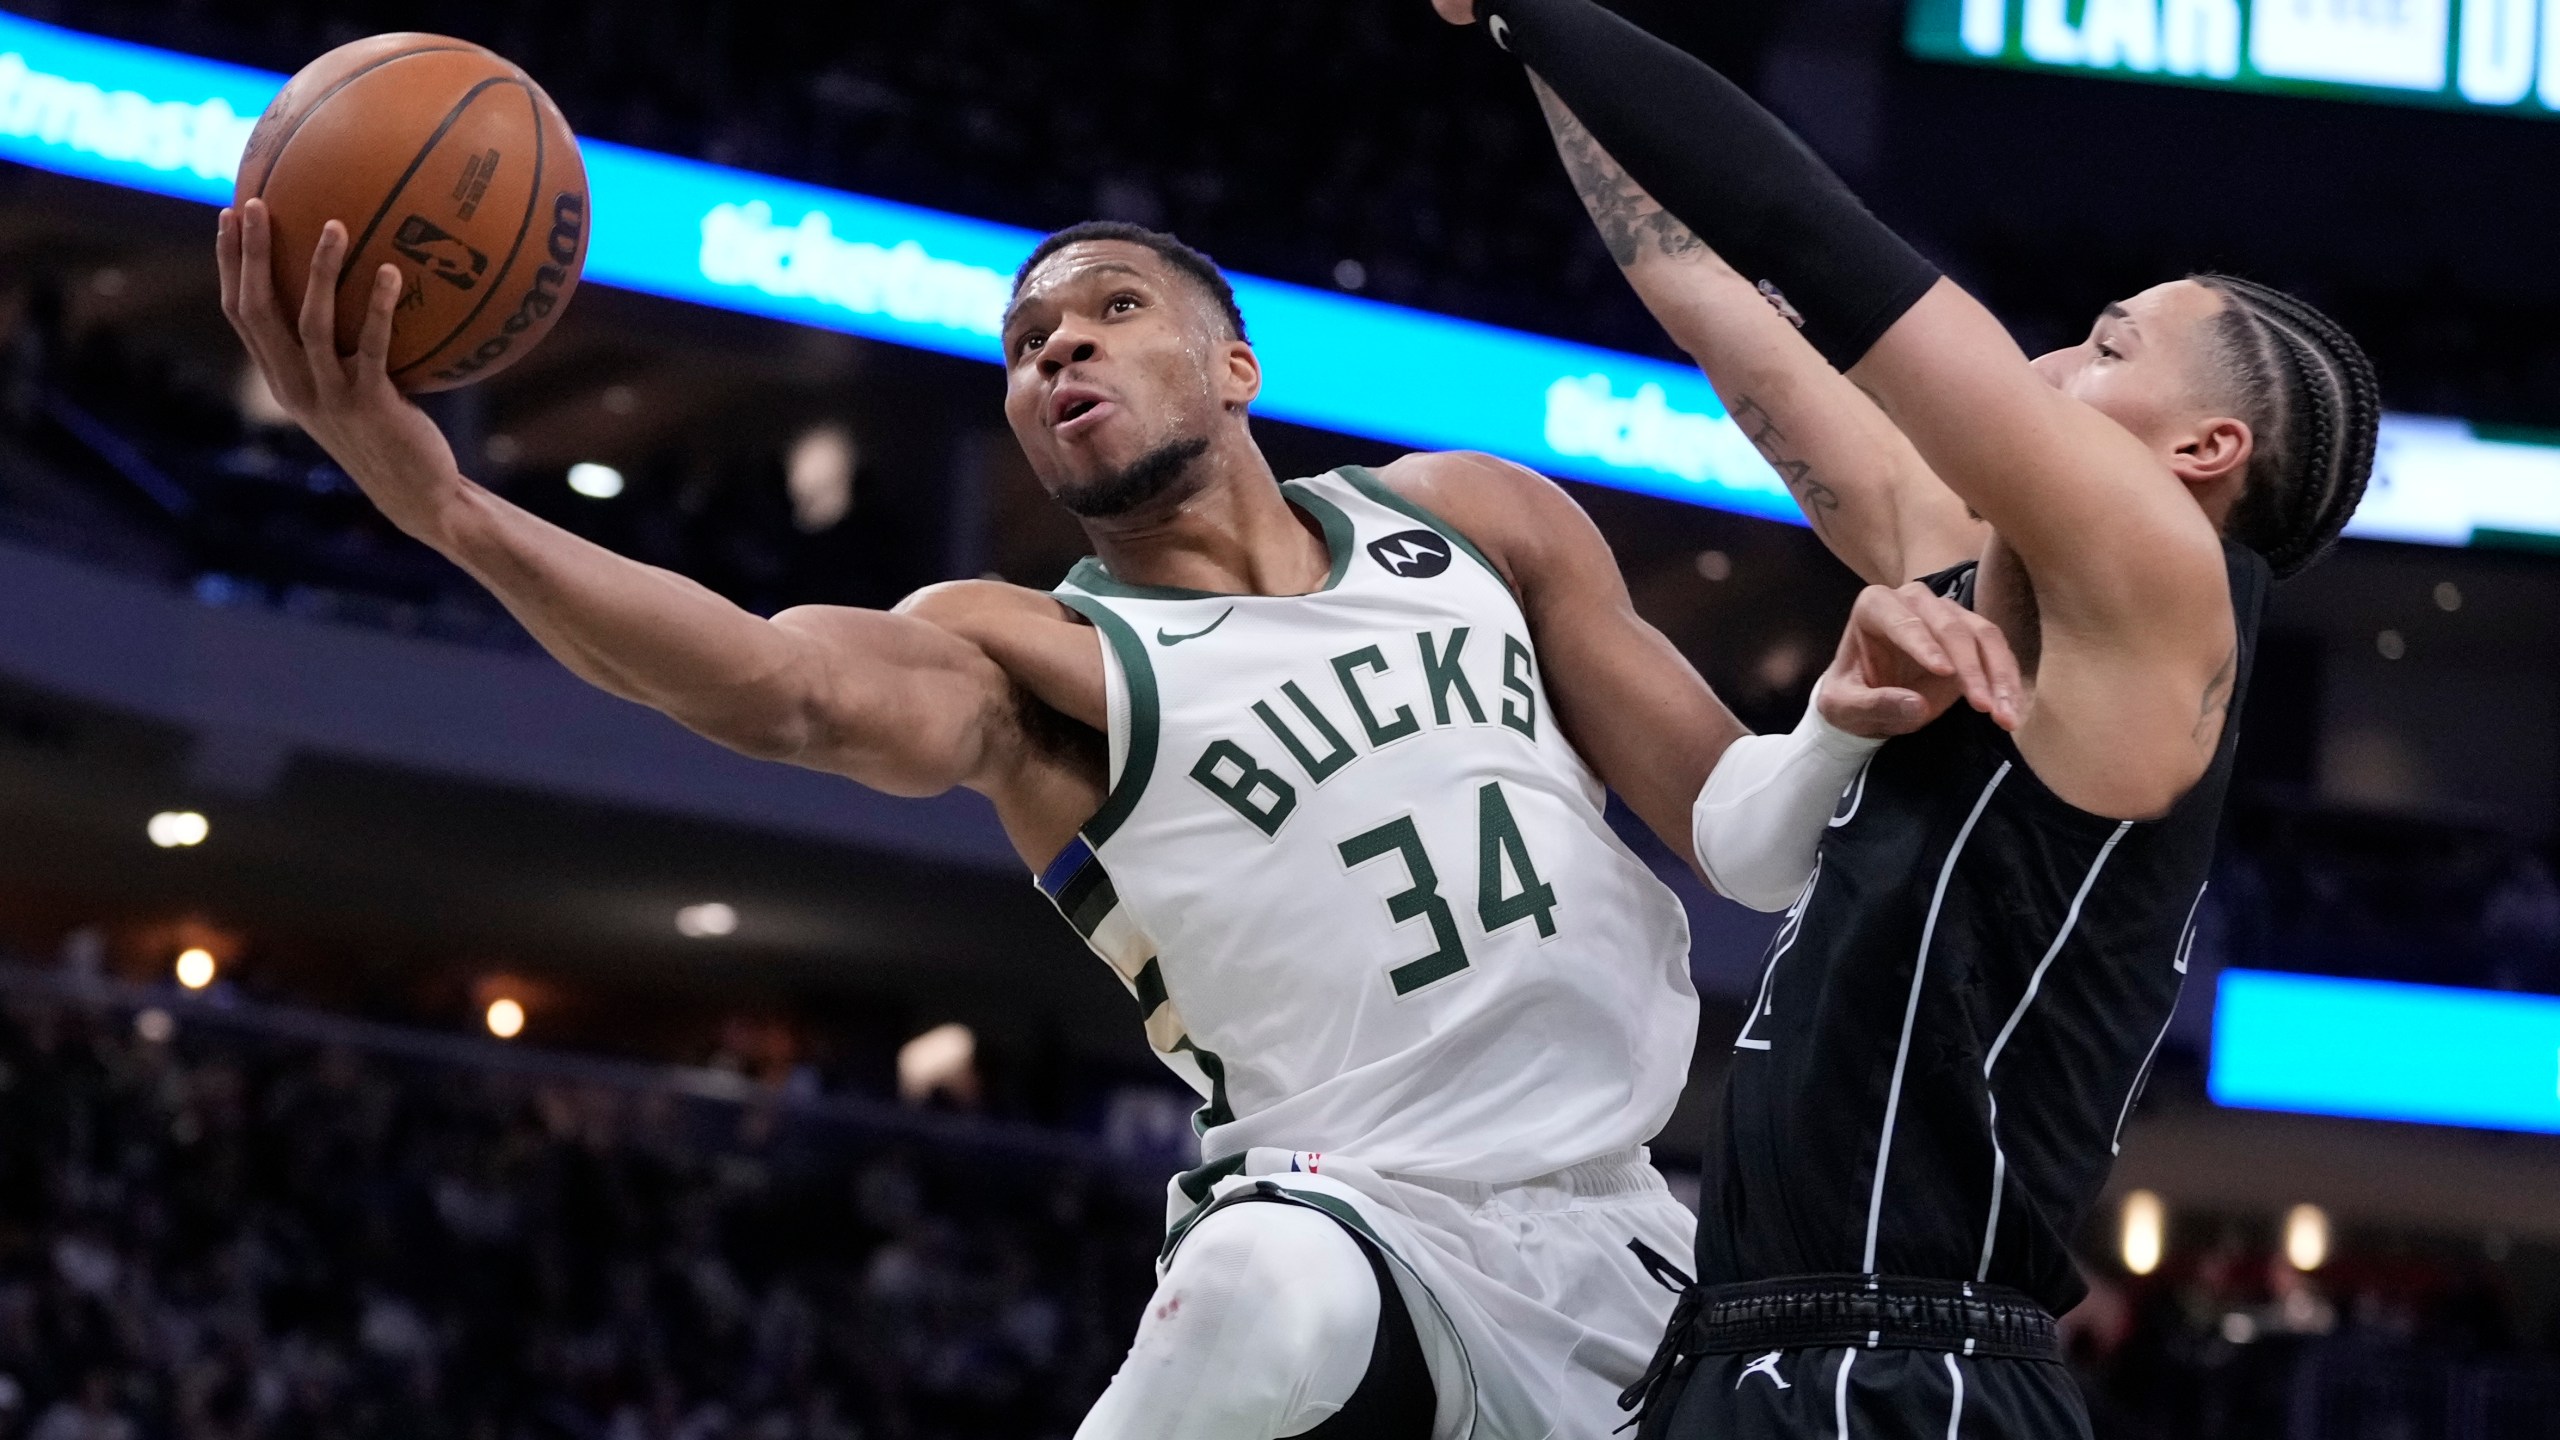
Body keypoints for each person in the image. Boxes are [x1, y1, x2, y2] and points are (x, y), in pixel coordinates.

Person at [215, 197, 2021, 1440]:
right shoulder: (1034, 658)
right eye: (1025, 343)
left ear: (1237, 367)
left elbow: (1743, 839)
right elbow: (773, 683)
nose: (1058, 349)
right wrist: (450, 506)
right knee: (1265, 1287)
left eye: (1110, 312)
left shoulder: (1482, 519)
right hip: (1353, 1213)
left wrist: (1834, 729)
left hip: (1632, 1234)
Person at [1432, 2, 2381, 1437]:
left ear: (2204, 451)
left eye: (2110, 348)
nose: (2055, 365)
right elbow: (1709, 285)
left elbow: (1809, 238)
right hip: (1746, 1341)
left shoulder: (2179, 591)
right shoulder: (1956, 558)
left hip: (1911, 1366)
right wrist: (1529, 53)